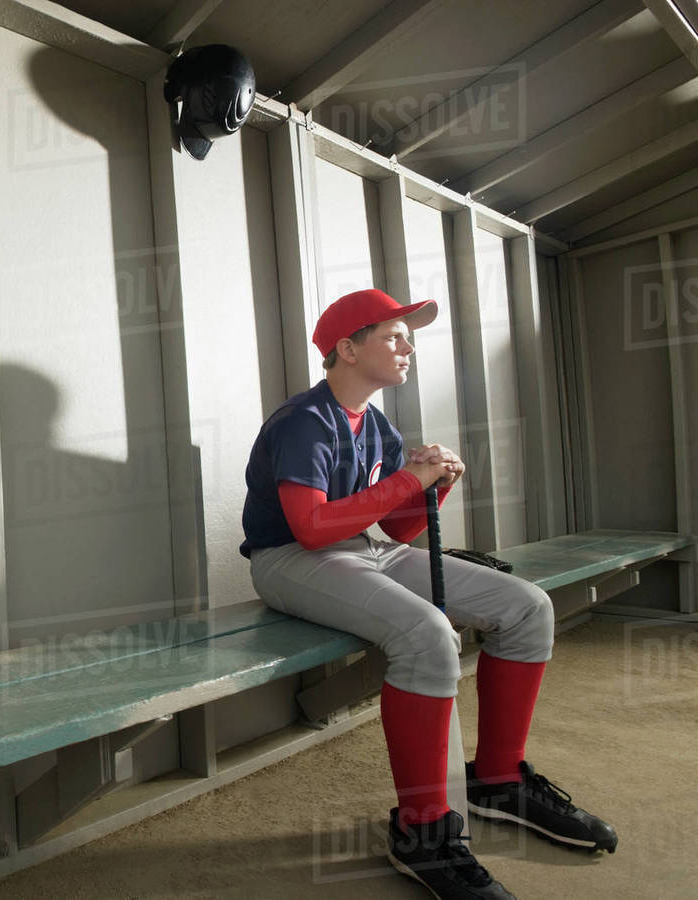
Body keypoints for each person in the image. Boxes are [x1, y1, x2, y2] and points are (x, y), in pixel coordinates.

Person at [240, 289, 616, 899]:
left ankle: (498, 780)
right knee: (426, 634)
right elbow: (309, 527)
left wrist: (431, 490)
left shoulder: (377, 423)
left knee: (527, 607)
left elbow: (396, 530)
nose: (408, 345)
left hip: (365, 548)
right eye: (393, 335)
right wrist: (408, 480)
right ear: (346, 348)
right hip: (288, 560)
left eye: (407, 335)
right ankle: (422, 831)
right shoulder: (304, 421)